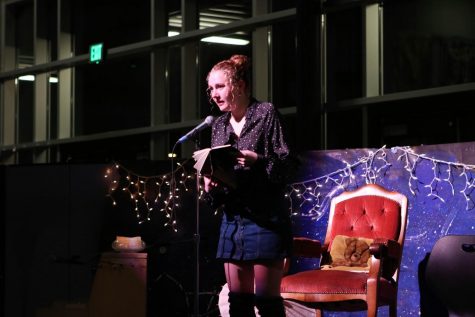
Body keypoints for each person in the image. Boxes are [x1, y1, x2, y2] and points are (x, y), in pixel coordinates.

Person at [202, 54, 298, 317]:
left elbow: (288, 164)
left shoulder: (265, 113)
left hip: (266, 219)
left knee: (267, 304)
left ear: (240, 86)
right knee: (238, 302)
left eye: (220, 86)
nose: (214, 94)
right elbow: (224, 180)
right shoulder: (219, 125)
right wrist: (211, 182)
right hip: (234, 220)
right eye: (211, 88)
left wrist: (259, 160)